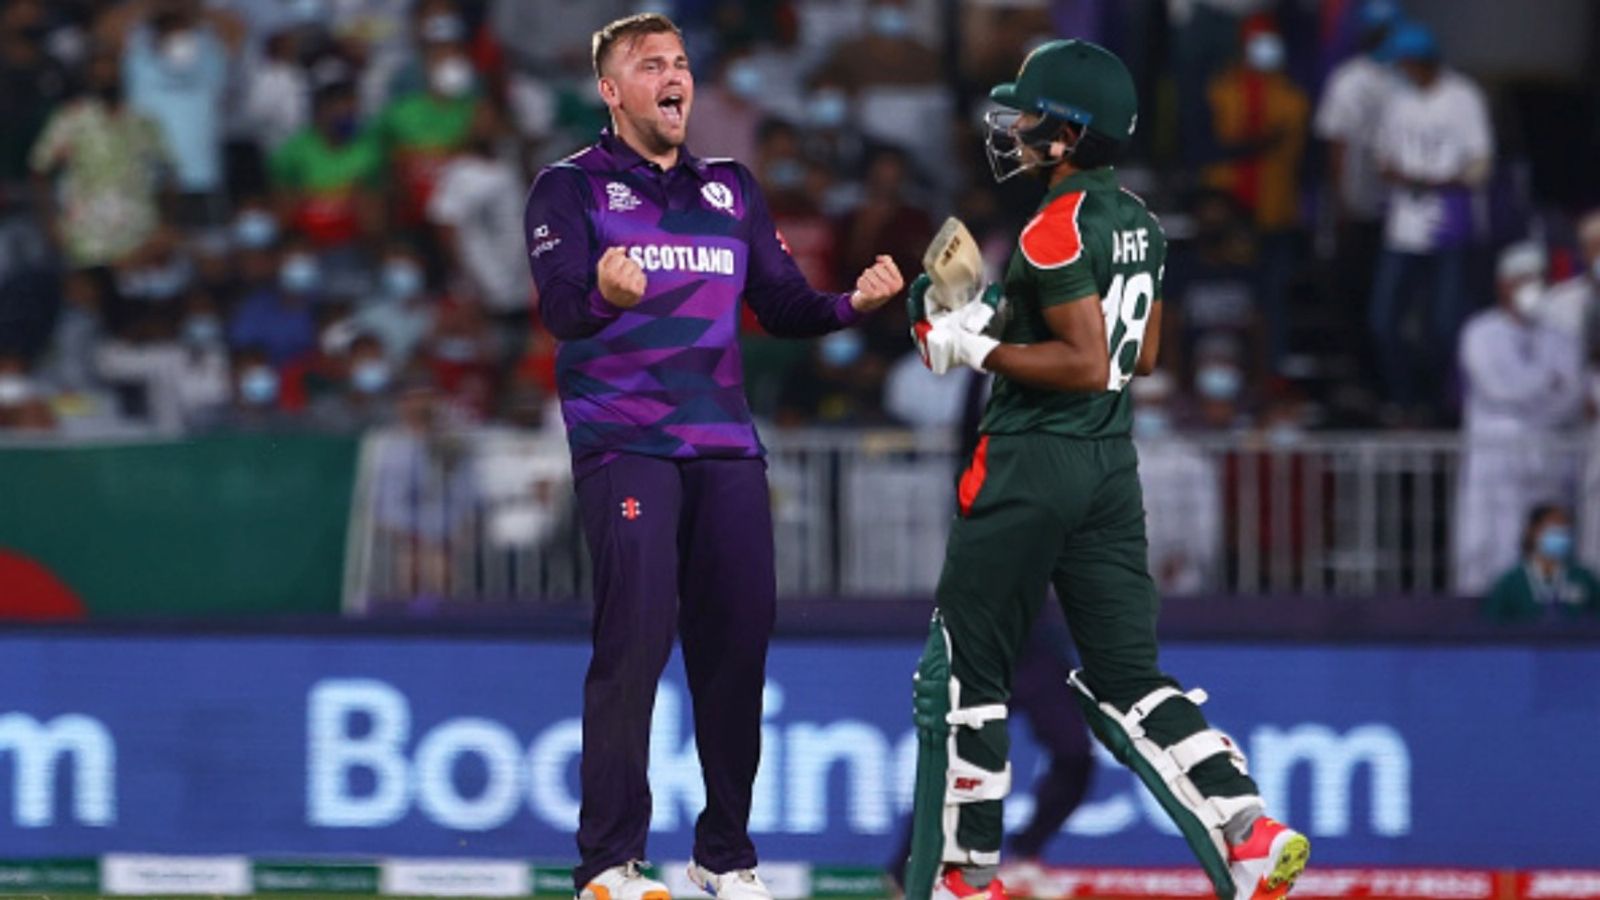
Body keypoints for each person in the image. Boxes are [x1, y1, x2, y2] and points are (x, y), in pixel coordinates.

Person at [903, 40, 1308, 900]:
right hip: (1108, 463)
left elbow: (1086, 360)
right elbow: (1143, 355)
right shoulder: (1143, 223)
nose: (1013, 130)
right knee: (1130, 675)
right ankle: (1246, 826)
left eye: (1030, 118)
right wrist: (981, 319)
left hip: (1030, 462)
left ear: (1070, 135)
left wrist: (975, 344)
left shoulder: (1053, 226)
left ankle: (961, 878)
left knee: (966, 668)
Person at [521, 14, 904, 900]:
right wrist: (603, 294)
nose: (673, 76)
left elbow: (782, 304)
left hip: (727, 447)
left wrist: (852, 303)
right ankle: (609, 866)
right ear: (611, 93)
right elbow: (561, 310)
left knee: (737, 653)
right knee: (636, 644)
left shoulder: (730, 187)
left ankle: (725, 857)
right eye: (649, 65)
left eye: (681, 63)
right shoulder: (568, 188)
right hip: (626, 444)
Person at [1368, 21, 1493, 420]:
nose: (1399, 72)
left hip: (1447, 224)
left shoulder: (1462, 96)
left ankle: (1441, 405)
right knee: (1382, 321)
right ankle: (1404, 401)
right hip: (1402, 226)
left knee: (1443, 326)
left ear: (1419, 62)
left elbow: (1480, 163)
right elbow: (1382, 159)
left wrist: (1436, 181)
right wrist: (1404, 178)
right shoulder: (1397, 100)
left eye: (1403, 64)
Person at [1452, 243, 1584, 595]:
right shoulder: (1479, 333)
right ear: (1504, 284)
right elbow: (1499, 389)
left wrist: (1540, 395)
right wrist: (1546, 382)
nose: (1532, 287)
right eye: (1523, 279)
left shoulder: (1562, 337)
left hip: (1547, 457)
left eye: (1538, 278)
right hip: (1496, 458)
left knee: (1549, 538)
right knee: (1490, 542)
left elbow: (1571, 397)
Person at [1482, 505, 1600, 622]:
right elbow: (1491, 626)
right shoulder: (1510, 582)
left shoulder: (1583, 578)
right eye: (1554, 527)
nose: (1561, 533)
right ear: (1533, 531)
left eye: (1564, 528)